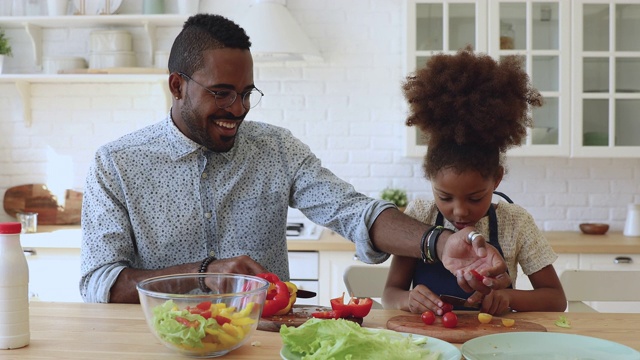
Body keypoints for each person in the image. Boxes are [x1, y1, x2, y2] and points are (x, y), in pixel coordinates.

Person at [80, 15, 510, 304]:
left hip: (262, 340)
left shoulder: (276, 149)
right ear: (177, 85)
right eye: (222, 93)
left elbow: (353, 211)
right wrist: (205, 273)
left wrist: (439, 243)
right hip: (158, 343)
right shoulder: (117, 165)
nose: (239, 108)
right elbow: (100, 282)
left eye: (247, 93)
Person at [382, 48, 567, 315]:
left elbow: (555, 299)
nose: (459, 210)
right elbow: (390, 294)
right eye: (445, 197)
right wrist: (407, 299)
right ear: (430, 179)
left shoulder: (515, 223)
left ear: (497, 179)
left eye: (475, 197)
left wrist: (508, 297)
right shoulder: (419, 216)